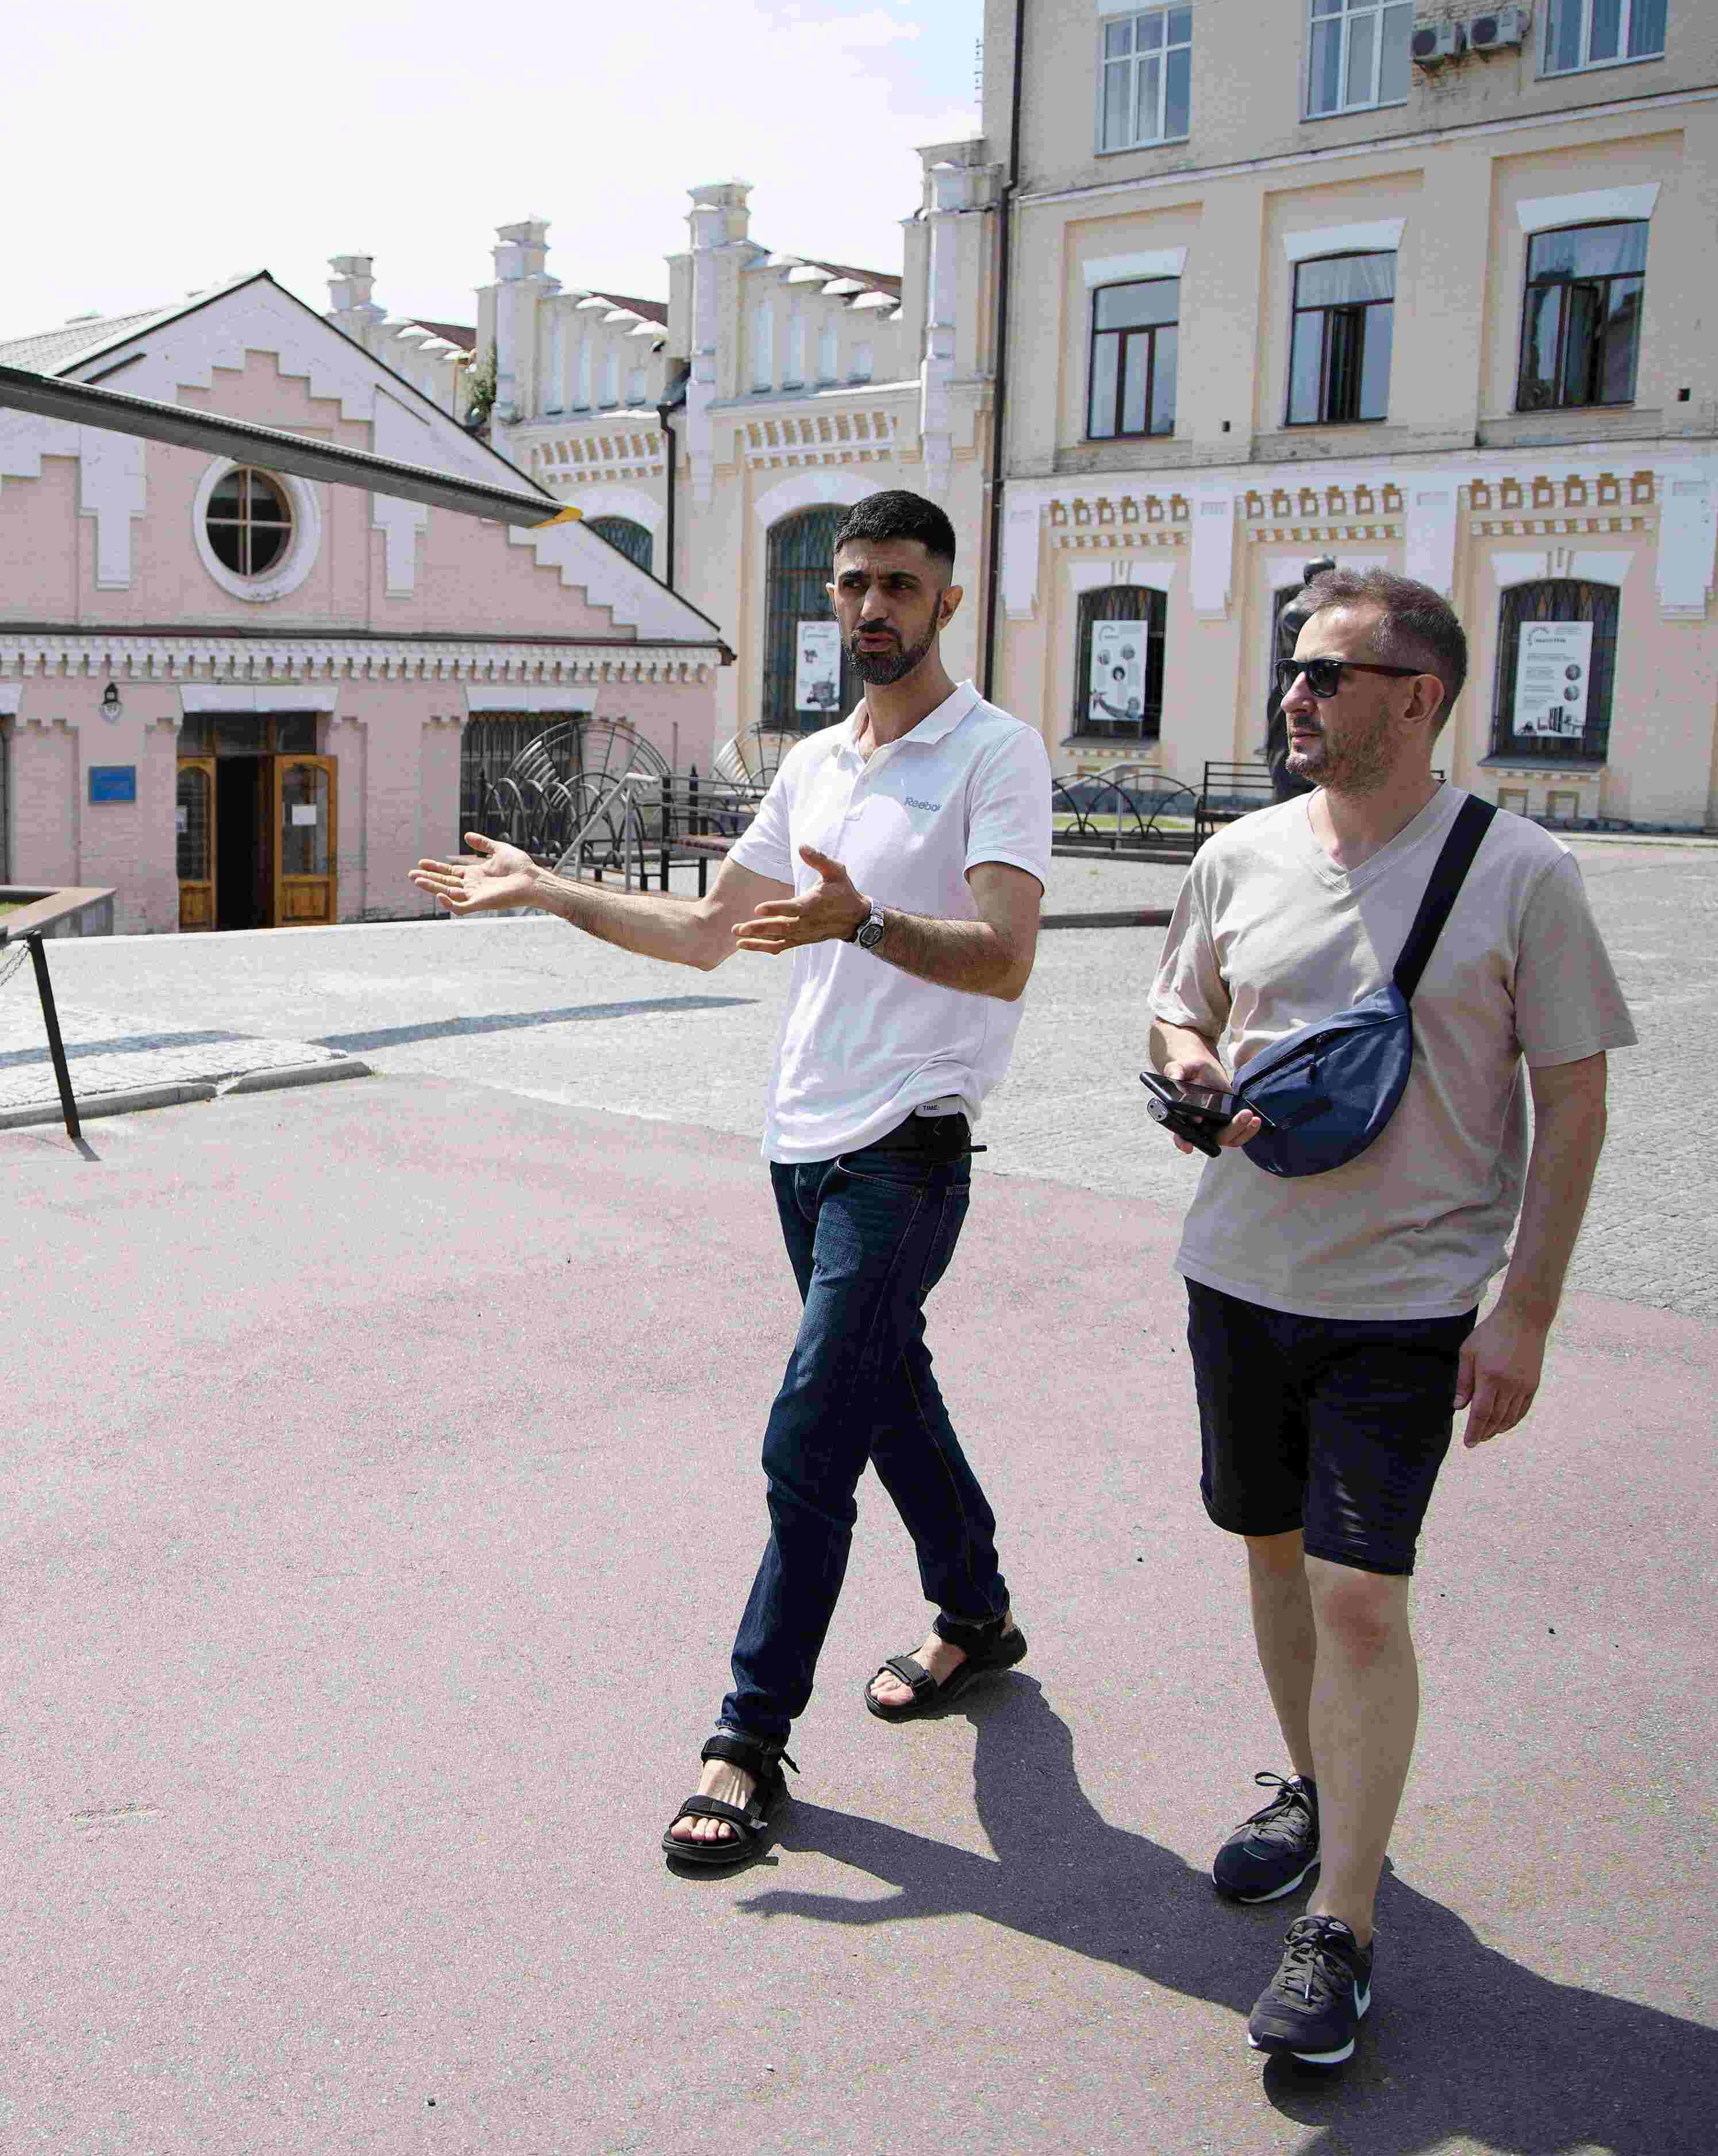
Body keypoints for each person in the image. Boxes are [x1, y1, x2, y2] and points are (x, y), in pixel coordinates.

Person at [412, 489, 1051, 1867]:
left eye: (899, 583)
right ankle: (979, 1611)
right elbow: (709, 933)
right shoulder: (817, 761)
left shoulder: (997, 753)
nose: (871, 605)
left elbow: (1005, 953)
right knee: (886, 1394)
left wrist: (866, 920)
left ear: (948, 598)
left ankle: (746, 1738)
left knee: (810, 1433)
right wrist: (548, 890)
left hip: (909, 1147)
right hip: (802, 1147)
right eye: (851, 583)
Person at [1147, 567, 1631, 2067]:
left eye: (1328, 676)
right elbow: (1180, 1005)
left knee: (1363, 1594)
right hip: (1238, 1277)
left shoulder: (1522, 874)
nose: (1295, 696)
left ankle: (1341, 1926)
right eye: (1293, 673)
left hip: (1408, 1306)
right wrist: (1191, 1070)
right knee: (1275, 1555)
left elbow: (1573, 1100)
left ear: (1420, 697)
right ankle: (1315, 1790)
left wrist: (1527, 1314)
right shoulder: (1239, 855)